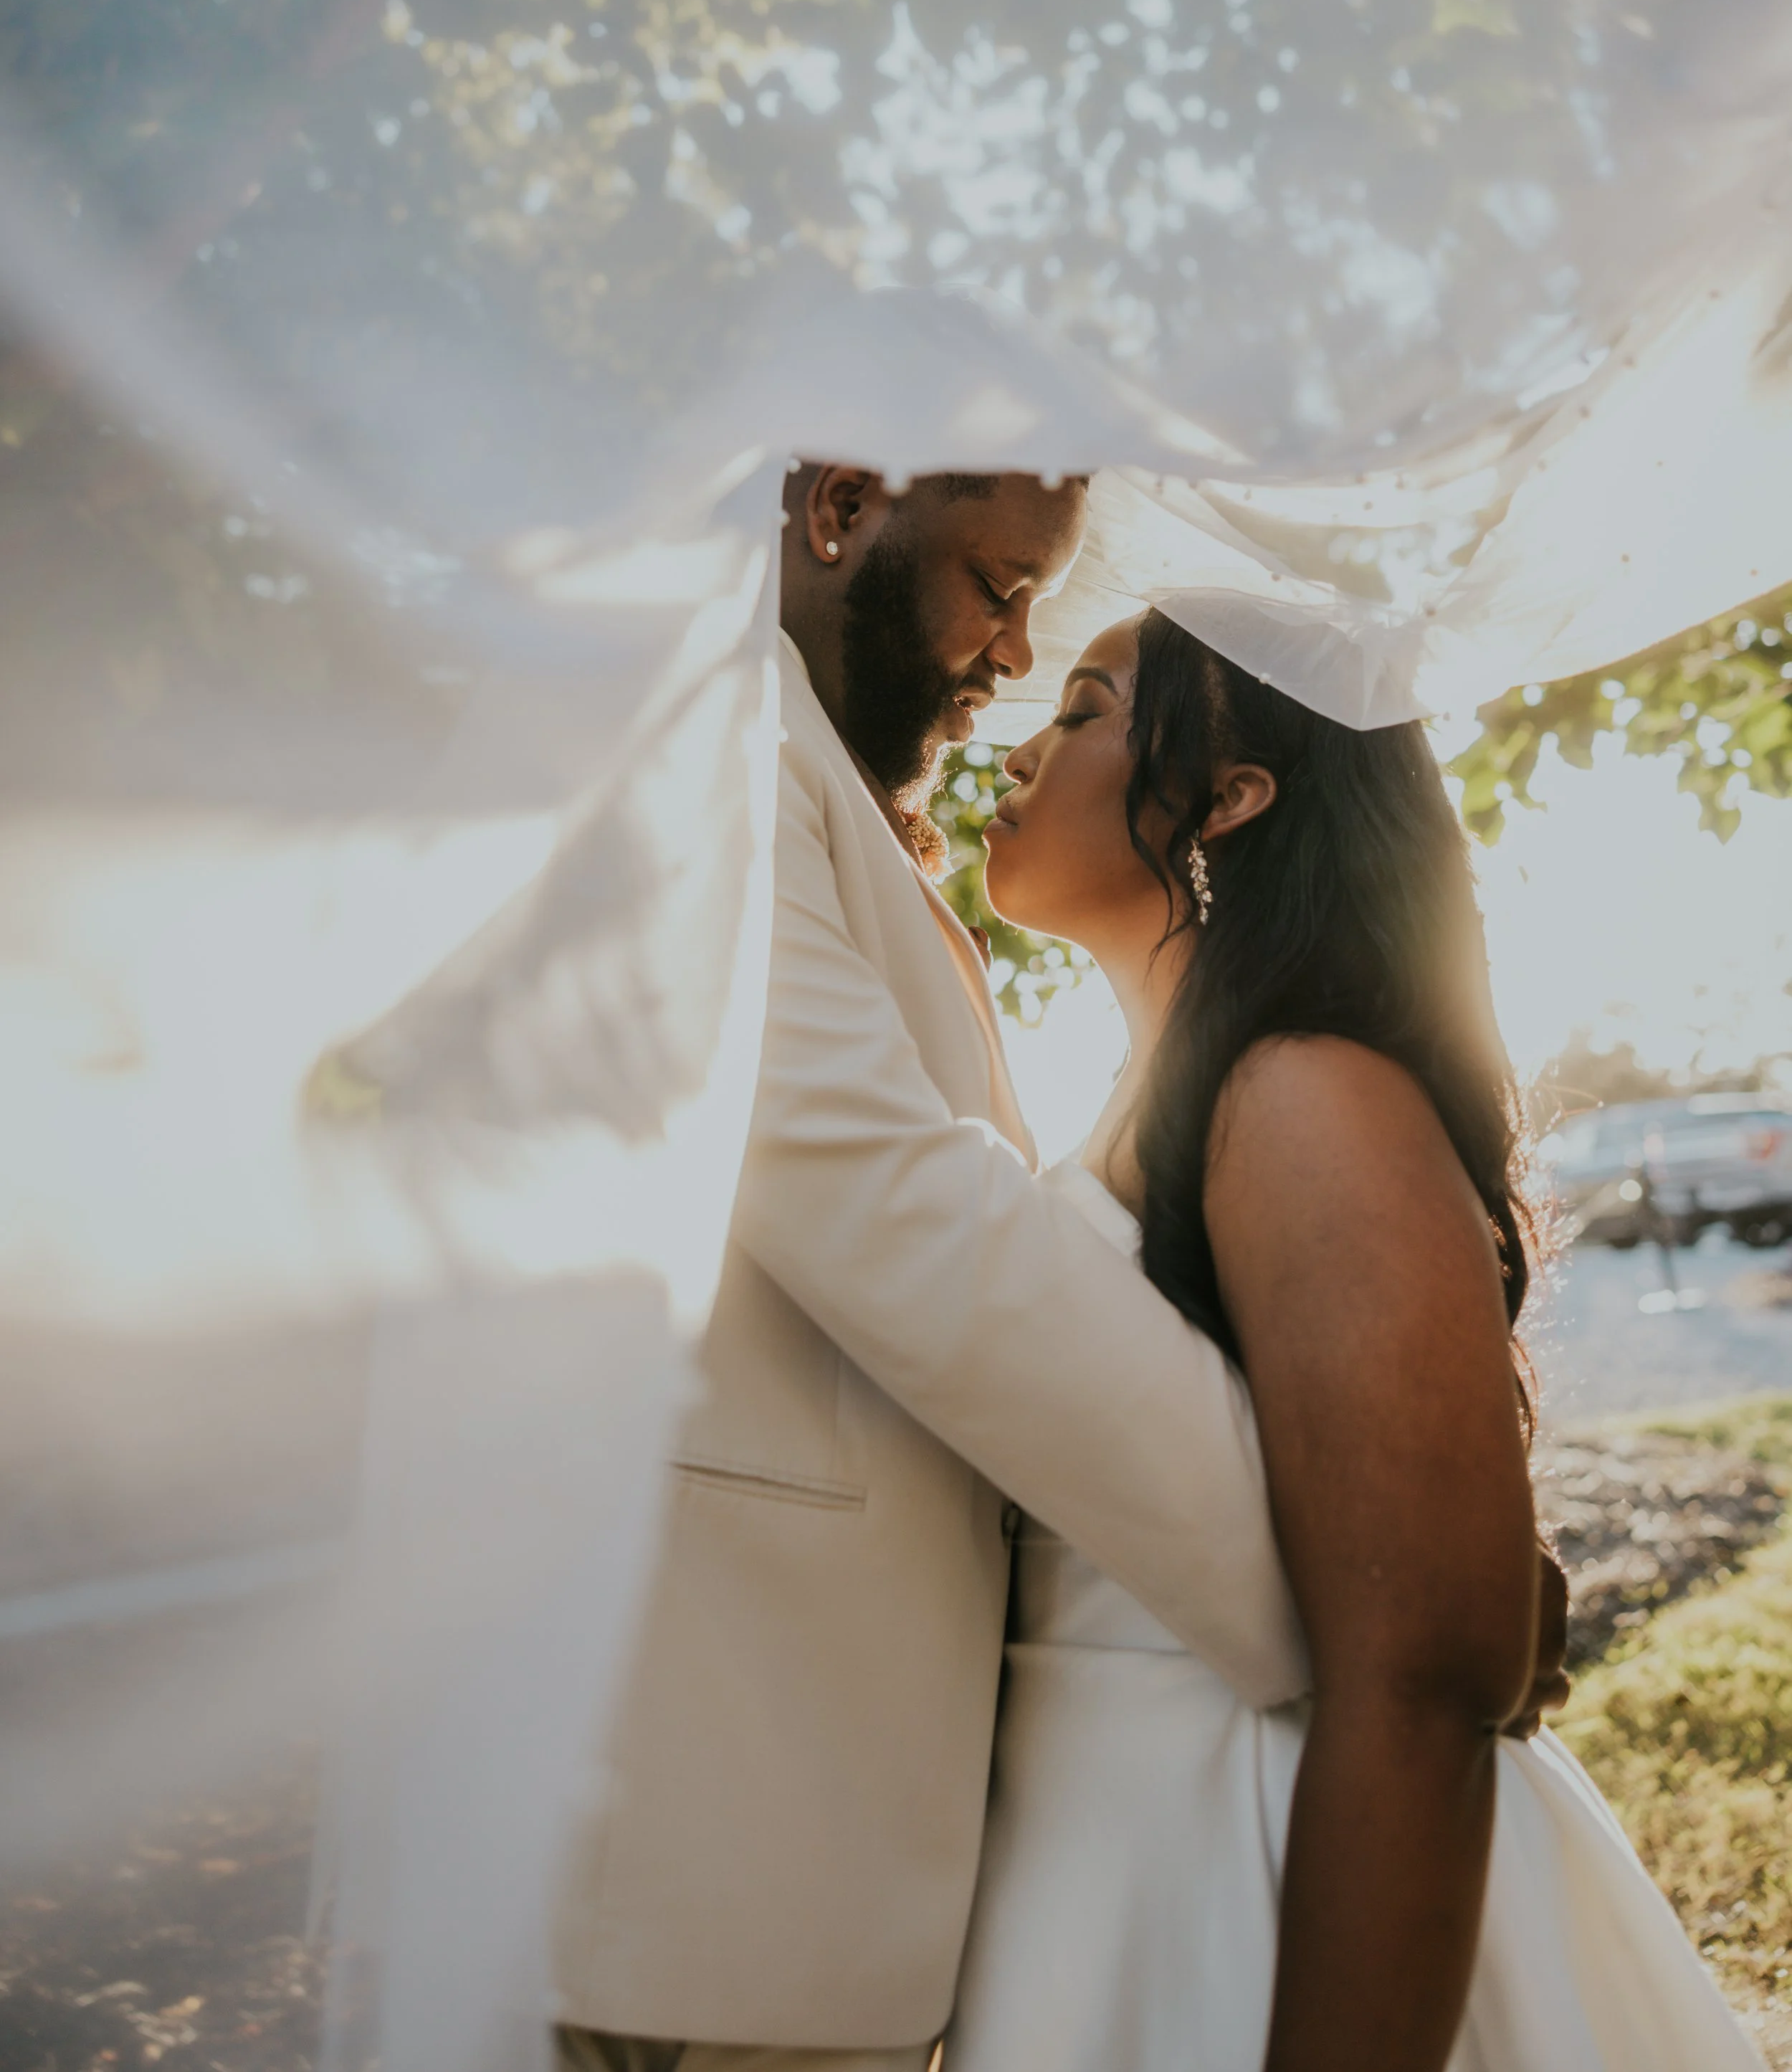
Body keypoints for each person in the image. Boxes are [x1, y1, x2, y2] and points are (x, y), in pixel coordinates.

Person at [550, 467, 1313, 2072]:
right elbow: (892, 1202)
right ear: (838, 510)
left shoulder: (812, 773)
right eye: (996, 581)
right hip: (685, 1835)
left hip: (795, 1835)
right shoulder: (706, 730)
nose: (1011, 655)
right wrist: (1328, 1595)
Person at [944, 609, 1762, 2072]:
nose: (1021, 746)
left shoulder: (1302, 1091)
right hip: (1099, 1868)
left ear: (1230, 790)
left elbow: (1428, 1674)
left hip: (1260, 1866)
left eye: (1079, 708)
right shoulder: (1151, 1096)